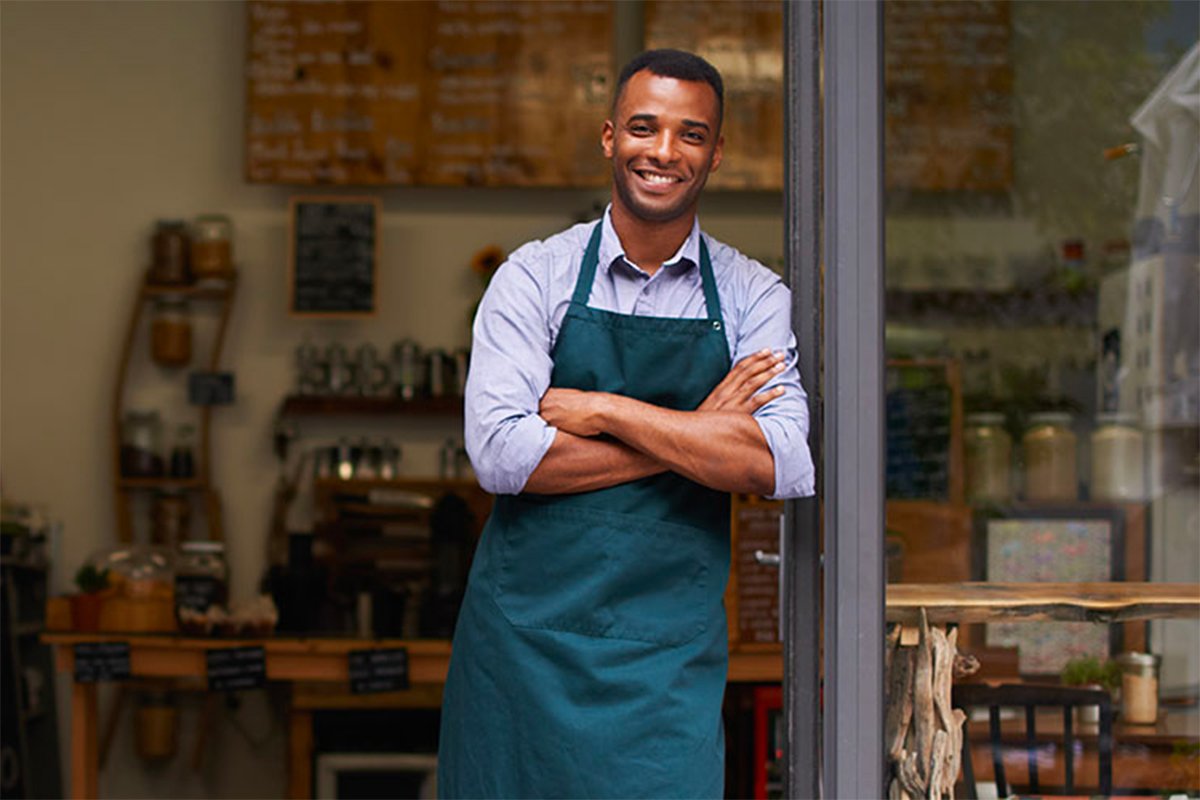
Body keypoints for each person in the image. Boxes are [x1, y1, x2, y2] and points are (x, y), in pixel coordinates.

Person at [437, 49, 815, 798]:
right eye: (644, 128)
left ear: (716, 152)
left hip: (663, 667)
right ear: (610, 138)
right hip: (523, 652)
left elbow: (780, 459)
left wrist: (604, 411)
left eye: (692, 134)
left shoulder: (751, 295)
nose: (664, 152)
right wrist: (695, 431)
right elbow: (504, 456)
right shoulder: (533, 277)